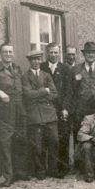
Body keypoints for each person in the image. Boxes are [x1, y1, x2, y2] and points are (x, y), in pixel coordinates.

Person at [0, 42, 28, 186]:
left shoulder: (17, 69)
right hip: (5, 111)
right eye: (5, 52)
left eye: (10, 52)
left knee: (20, 140)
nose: (8, 54)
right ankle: (8, 176)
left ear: (12, 54)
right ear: (0, 54)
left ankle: (19, 172)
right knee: (5, 143)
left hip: (20, 110)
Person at [22, 50, 61, 180]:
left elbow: (55, 94)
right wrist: (44, 91)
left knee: (54, 141)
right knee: (38, 145)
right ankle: (40, 171)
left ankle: (53, 169)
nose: (37, 62)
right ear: (29, 61)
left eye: (38, 59)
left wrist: (37, 94)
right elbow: (27, 95)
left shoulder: (46, 75)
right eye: (34, 59)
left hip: (49, 113)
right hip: (34, 114)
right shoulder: (25, 76)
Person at [40, 42, 72, 176]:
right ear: (47, 53)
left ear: (59, 53)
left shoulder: (65, 69)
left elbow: (68, 91)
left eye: (56, 52)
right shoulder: (41, 67)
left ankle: (62, 167)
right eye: (51, 52)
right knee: (47, 138)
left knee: (62, 137)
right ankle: (48, 168)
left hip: (60, 108)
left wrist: (65, 108)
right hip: (46, 108)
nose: (53, 55)